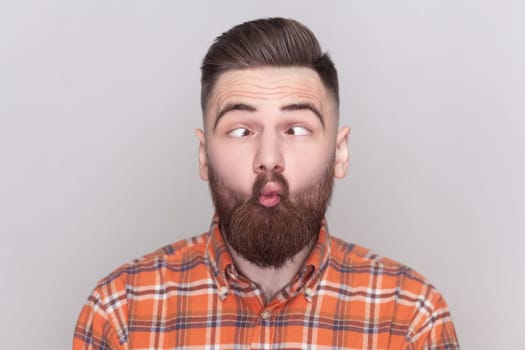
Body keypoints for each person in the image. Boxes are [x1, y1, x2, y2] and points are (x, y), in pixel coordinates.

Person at [73, 17, 459, 349]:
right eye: (241, 131)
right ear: (204, 155)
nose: (269, 158)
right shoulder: (120, 313)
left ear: (339, 152)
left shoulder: (409, 316)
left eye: (296, 128)